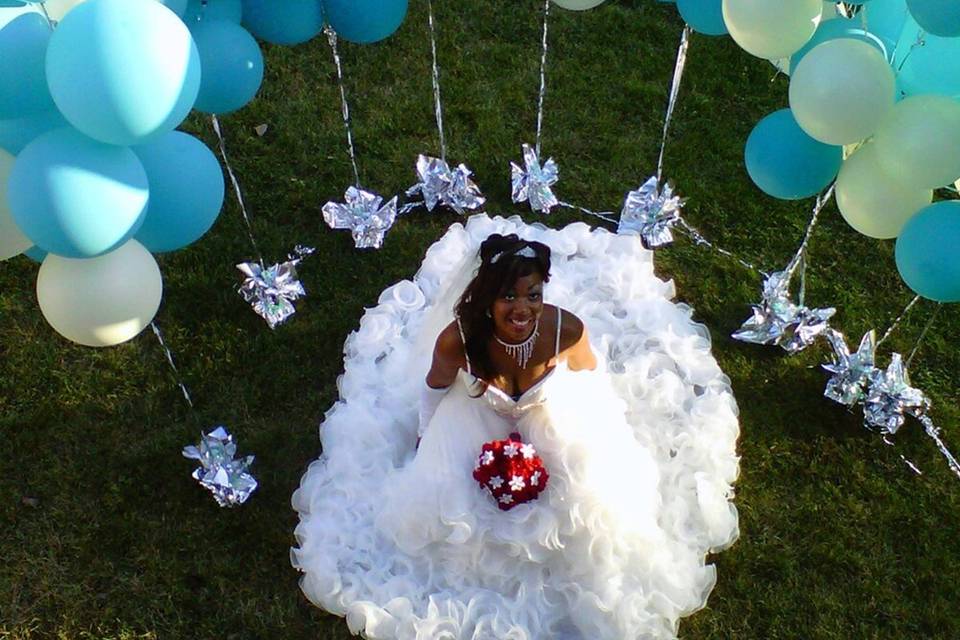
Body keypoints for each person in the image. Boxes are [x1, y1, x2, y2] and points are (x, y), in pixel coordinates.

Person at [292, 214, 740, 639]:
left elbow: (588, 374)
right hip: (470, 419)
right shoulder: (458, 340)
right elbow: (433, 389)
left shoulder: (566, 329)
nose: (522, 308)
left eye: (533, 295)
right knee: (442, 498)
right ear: (487, 300)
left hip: (550, 413)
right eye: (509, 297)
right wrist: (427, 437)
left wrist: (591, 425)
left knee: (593, 499)